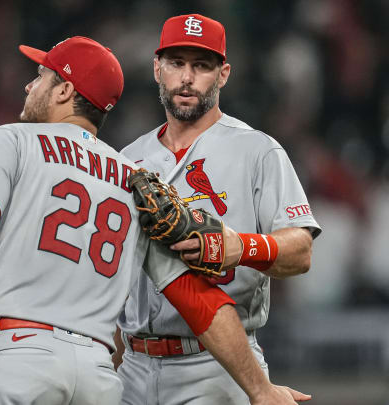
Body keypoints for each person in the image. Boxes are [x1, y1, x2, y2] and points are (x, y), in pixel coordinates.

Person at [0, 36, 305, 405]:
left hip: (15, 356)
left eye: (40, 76)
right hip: (98, 375)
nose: (28, 86)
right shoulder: (133, 177)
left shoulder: (12, 140)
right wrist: (260, 389)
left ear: (63, 91)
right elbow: (196, 297)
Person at [115, 14, 322, 405]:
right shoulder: (130, 158)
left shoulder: (257, 149)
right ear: (157, 68)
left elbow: (301, 251)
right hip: (134, 365)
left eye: (202, 66)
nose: (187, 78)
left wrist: (241, 247)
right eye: (176, 63)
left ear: (223, 74)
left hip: (217, 365)